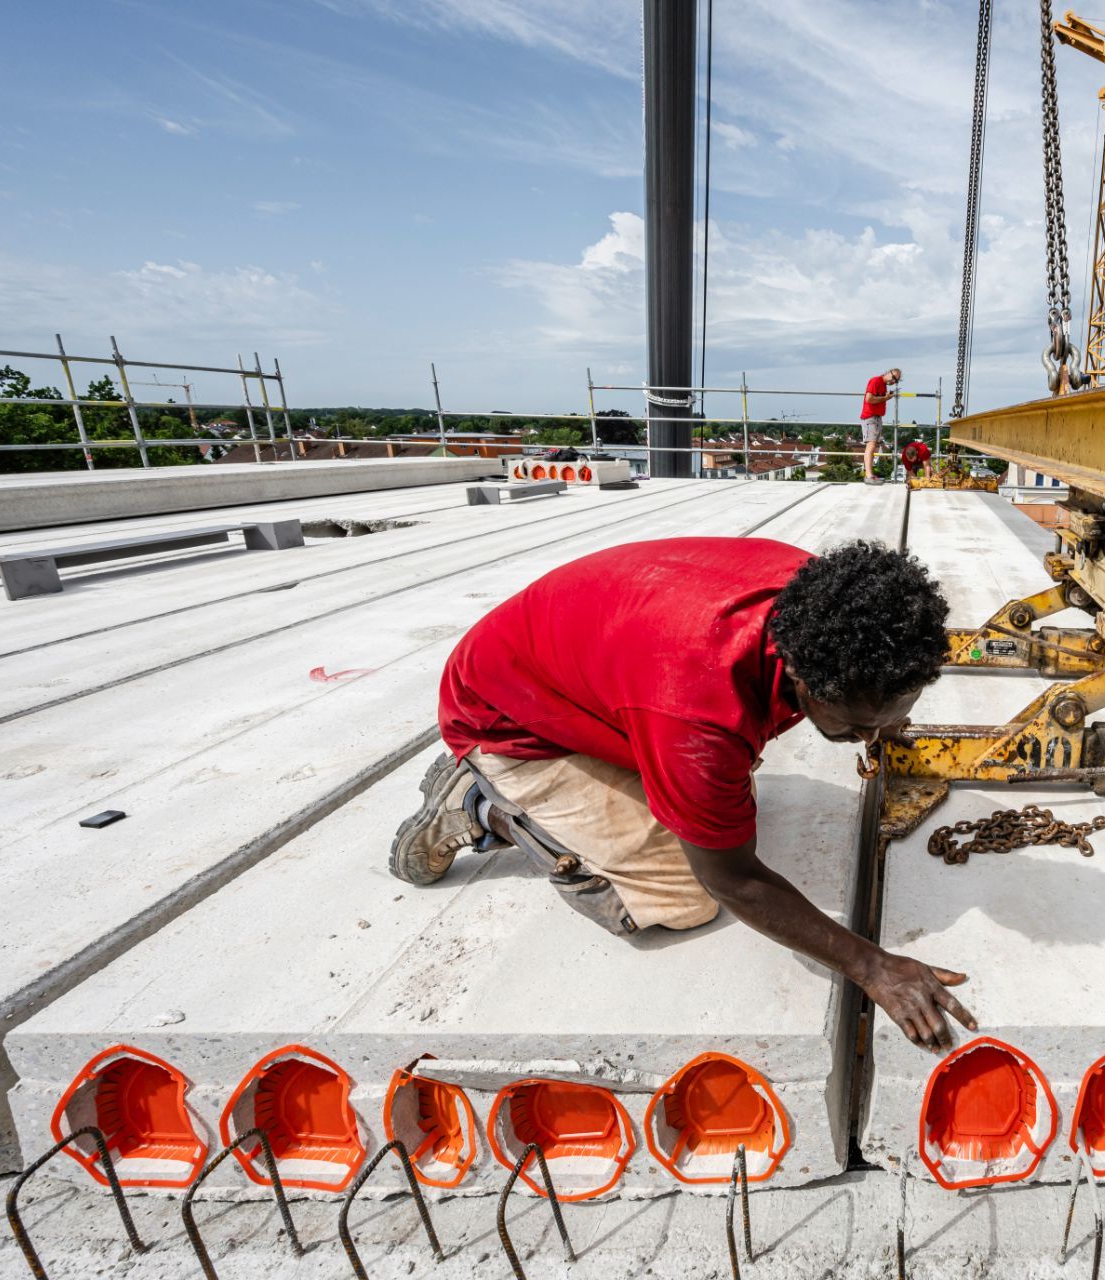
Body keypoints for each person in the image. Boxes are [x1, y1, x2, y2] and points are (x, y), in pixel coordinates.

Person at [389, 537, 977, 1050]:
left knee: (719, 803)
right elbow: (735, 881)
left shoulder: (831, 603)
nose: (872, 738)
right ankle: (482, 802)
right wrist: (871, 966)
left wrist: (873, 718)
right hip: (509, 716)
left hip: (596, 674)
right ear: (800, 673)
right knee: (683, 898)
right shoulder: (699, 714)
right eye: (855, 725)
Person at [861, 367, 901, 483]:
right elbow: (869, 399)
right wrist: (885, 398)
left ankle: (870, 475)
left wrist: (886, 397)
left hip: (876, 418)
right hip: (870, 417)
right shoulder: (875, 381)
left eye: (896, 380)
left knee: (874, 446)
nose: (893, 381)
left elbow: (878, 399)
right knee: (871, 446)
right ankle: (869, 476)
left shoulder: (883, 385)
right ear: (888, 372)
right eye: (893, 377)